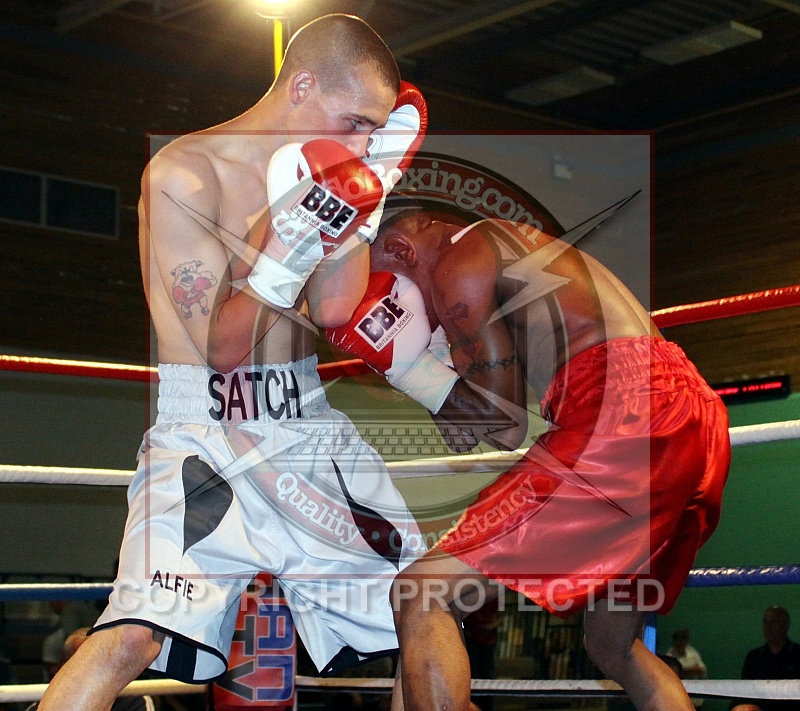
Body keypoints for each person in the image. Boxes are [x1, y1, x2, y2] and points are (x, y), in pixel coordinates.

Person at [39, 15, 427, 711]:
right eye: (355, 123)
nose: (361, 144)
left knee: (423, 606)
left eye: (373, 132)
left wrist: (359, 211)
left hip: (304, 422)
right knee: (131, 637)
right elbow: (218, 348)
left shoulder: (327, 171)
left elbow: (335, 310)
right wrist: (287, 248)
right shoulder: (186, 175)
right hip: (206, 432)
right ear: (302, 86)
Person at [326, 198, 732, 710]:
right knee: (612, 647)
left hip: (626, 413)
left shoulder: (460, 262)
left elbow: (502, 422)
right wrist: (429, 360)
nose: (389, 305)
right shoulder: (497, 251)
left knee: (422, 593)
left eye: (384, 285)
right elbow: (466, 429)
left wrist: (410, 369)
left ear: (402, 249)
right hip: (689, 418)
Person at [27, 629, 154, 711]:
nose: (87, 669)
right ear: (65, 666)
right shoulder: (44, 703)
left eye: (95, 661)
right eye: (80, 661)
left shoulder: (132, 699)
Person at [731, 606, 800, 711]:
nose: (768, 627)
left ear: (786, 625)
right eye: (766, 622)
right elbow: (746, 691)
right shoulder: (754, 657)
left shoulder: (798, 654)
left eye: (774, 622)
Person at [667, 628, 707, 708]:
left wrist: (683, 671)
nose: (680, 643)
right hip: (678, 699)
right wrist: (690, 670)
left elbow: (702, 671)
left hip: (695, 701)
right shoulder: (670, 655)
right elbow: (671, 674)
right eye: (678, 640)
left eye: (683, 640)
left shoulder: (693, 653)